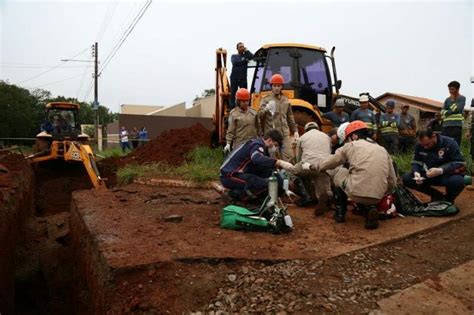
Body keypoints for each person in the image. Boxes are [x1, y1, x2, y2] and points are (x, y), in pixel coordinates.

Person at [304, 121, 397, 229]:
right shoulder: (382, 150)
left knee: (340, 172)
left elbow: (330, 163)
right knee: (365, 179)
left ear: (353, 136)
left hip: (356, 193)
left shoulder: (351, 146)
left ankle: (340, 213)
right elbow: (392, 180)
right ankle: (370, 208)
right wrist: (384, 192)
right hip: (378, 197)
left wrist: (312, 167)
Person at [220, 129, 294, 203]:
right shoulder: (257, 145)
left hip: (238, 173)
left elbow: (263, 166)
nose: (274, 148)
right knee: (265, 183)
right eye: (275, 145)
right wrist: (279, 162)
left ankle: (283, 194)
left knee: (270, 173)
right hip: (229, 175)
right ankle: (233, 195)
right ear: (269, 140)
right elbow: (257, 159)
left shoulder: (259, 145)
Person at [402, 128, 466, 203]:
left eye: (427, 144)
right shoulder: (419, 145)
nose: (424, 147)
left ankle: (448, 200)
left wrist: (441, 170)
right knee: (407, 178)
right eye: (422, 145)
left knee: (457, 181)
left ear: (434, 136)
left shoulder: (450, 143)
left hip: (446, 175)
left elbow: (459, 163)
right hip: (429, 174)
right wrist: (417, 172)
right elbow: (416, 161)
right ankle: (437, 196)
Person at [290, 122, 332, 215]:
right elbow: (329, 154)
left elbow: (298, 158)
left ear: (306, 130)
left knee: (292, 171)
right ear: (317, 128)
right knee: (322, 178)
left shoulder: (302, 138)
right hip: (323, 166)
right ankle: (324, 196)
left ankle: (305, 196)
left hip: (307, 166)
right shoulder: (326, 137)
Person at [257, 74, 299, 162]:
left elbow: (290, 117)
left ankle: (288, 175)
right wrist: (266, 108)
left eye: (279, 86)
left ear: (281, 87)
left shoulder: (285, 100)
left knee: (289, 157)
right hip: (271, 134)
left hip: (284, 133)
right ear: (271, 86)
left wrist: (295, 131)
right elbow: (259, 116)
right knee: (273, 158)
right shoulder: (266, 99)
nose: (276, 88)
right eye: (274, 85)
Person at [224, 88, 258, 154]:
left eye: (247, 101)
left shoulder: (254, 112)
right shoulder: (233, 114)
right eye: (243, 101)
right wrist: (228, 143)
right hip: (239, 145)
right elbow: (230, 131)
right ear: (238, 101)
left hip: (252, 143)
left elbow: (259, 128)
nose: (246, 103)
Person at [441, 81, 466, 145]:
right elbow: (442, 111)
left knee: (455, 144)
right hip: (446, 126)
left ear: (457, 89)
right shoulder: (447, 99)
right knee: (445, 144)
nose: (450, 91)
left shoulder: (462, 98)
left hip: (456, 126)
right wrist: (451, 112)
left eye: (452, 89)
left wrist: (452, 101)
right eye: (449, 89)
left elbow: (457, 109)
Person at [230, 42, 254, 109]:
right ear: (237, 48)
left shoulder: (246, 55)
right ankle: (232, 107)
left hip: (243, 78)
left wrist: (247, 51)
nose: (242, 48)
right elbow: (235, 63)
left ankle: (245, 107)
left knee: (244, 93)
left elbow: (253, 57)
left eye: (243, 46)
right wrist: (244, 61)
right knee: (233, 92)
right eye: (240, 47)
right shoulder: (234, 56)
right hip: (234, 77)